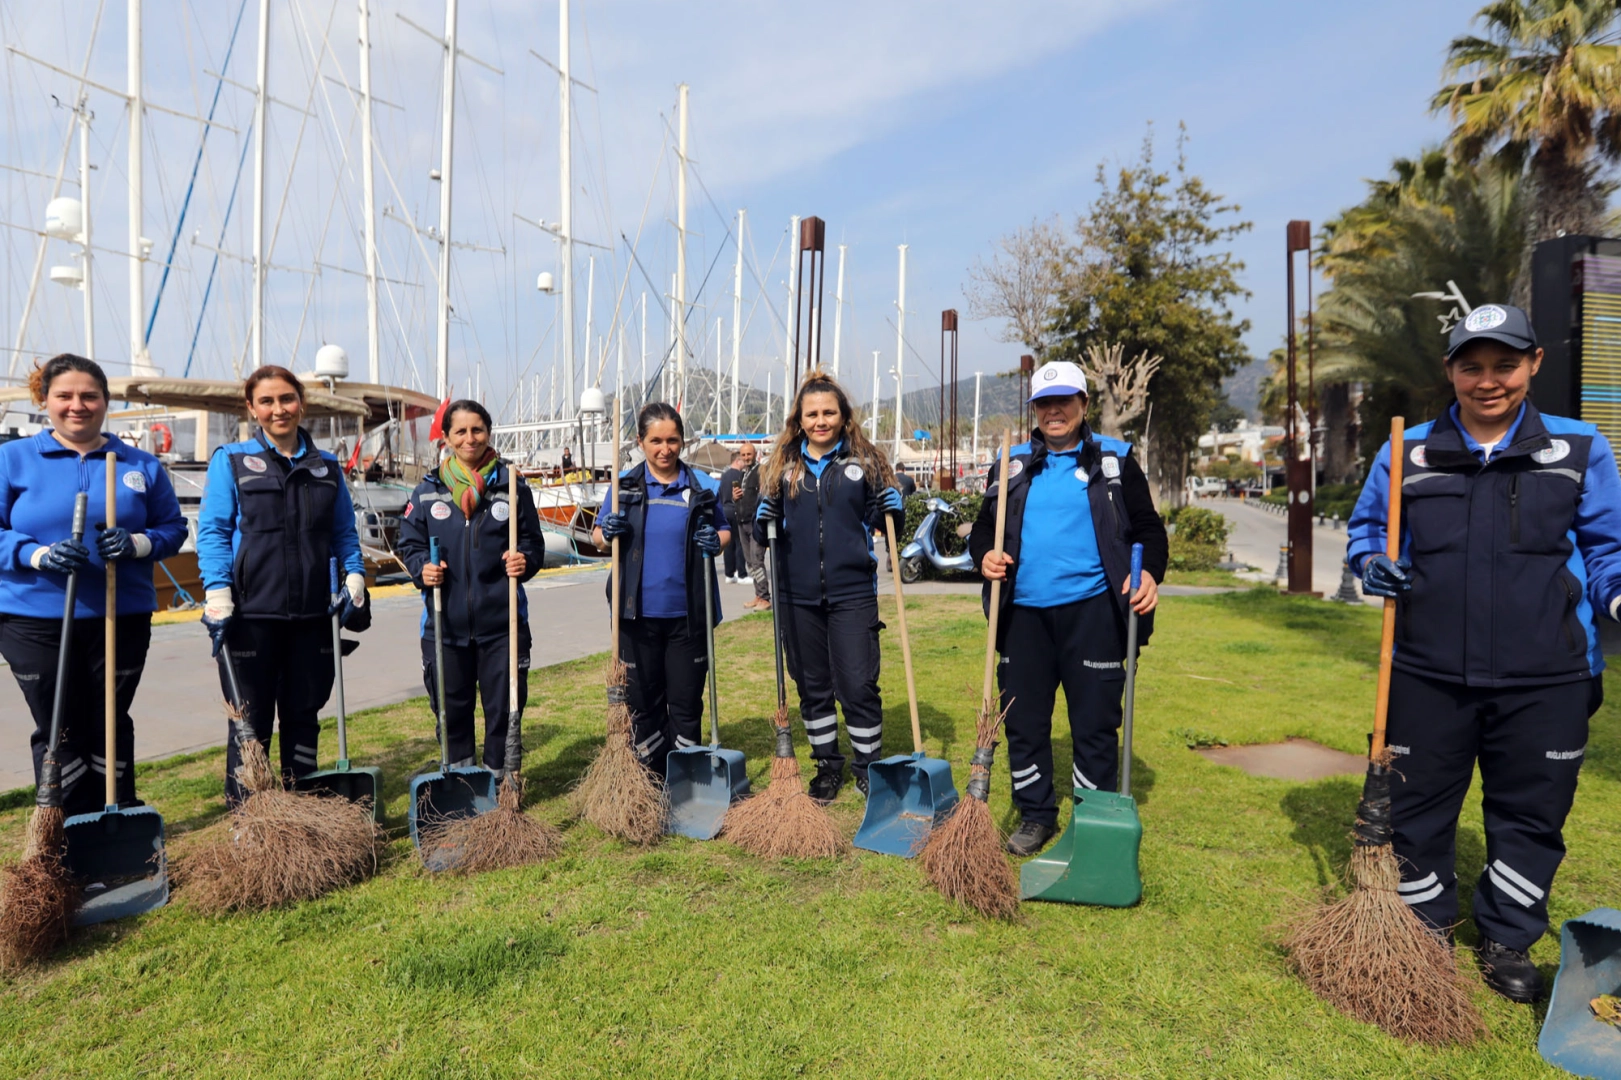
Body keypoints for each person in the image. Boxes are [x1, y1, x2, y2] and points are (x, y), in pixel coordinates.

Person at [1346, 303, 1621, 1004]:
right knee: (1418, 812)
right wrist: (1372, 562)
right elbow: (1369, 532)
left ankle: (1505, 938)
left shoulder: (1579, 449)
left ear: (1532, 364)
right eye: (1472, 366)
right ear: (1450, 372)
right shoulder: (1406, 450)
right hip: (1425, 672)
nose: (1488, 380)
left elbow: (1606, 550)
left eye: (1504, 364)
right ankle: (1421, 928)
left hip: (1548, 679)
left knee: (1530, 816)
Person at [969, 360, 1167, 856]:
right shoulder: (1009, 463)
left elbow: (1149, 530)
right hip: (1023, 617)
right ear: (1034, 409)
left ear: (1083, 404)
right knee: (1024, 721)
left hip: (1094, 614)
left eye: (1064, 401)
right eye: (1044, 403)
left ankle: (1092, 815)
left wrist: (1148, 573)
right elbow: (980, 532)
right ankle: (1035, 816)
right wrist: (984, 557)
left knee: (1095, 720)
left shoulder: (1116, 460)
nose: (1054, 411)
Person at [0, 354, 188, 815]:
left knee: (110, 718)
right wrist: (37, 554)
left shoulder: (138, 464)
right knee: (59, 722)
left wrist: (138, 544)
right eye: (64, 395)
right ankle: (66, 824)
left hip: (118, 613)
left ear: (106, 401)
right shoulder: (12, 459)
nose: (77, 405)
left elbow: (173, 527)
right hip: (33, 616)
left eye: (89, 395)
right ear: (44, 400)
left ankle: (118, 816)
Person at [196, 365, 369, 805]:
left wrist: (354, 577)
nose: (279, 409)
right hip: (251, 615)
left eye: (287, 399)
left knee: (303, 714)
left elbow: (344, 532)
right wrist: (217, 593)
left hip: (313, 614)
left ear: (301, 403)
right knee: (249, 721)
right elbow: (213, 530)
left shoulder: (326, 466)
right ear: (252, 408)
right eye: (268, 401)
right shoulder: (231, 460)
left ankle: (302, 806)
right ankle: (248, 814)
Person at [754, 373, 905, 802]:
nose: (821, 421)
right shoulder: (782, 468)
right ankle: (826, 766)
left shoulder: (865, 462)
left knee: (858, 684)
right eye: (812, 414)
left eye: (829, 413)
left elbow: (886, 523)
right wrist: (762, 516)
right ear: (799, 420)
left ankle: (868, 765)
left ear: (843, 417)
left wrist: (895, 508)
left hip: (853, 592)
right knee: (813, 685)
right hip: (797, 596)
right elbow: (761, 530)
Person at [397, 400, 545, 771]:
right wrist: (421, 568)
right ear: (446, 437)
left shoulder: (512, 485)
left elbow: (534, 544)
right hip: (444, 629)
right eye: (460, 431)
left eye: (477, 430)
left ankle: (500, 789)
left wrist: (524, 560)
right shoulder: (428, 491)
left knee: (503, 712)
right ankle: (461, 786)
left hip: (503, 627)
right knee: (451, 714)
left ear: (488, 433)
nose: (469, 438)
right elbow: (409, 544)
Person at [593, 404, 729, 778]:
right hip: (635, 617)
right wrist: (607, 531)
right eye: (656, 440)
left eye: (672, 440)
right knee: (643, 701)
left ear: (682, 441)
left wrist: (716, 541)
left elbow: (724, 529)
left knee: (685, 702)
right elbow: (598, 537)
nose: (665, 449)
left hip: (690, 615)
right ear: (641, 441)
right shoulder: (624, 487)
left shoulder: (700, 486)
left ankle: (685, 777)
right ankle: (651, 777)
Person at [735, 442, 772, 611]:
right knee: (750, 562)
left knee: (757, 560)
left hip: (754, 522)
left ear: (755, 454)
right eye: (743, 455)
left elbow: (766, 493)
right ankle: (758, 594)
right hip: (742, 521)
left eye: (748, 454)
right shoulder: (744, 473)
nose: (746, 458)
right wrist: (735, 497)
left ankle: (765, 597)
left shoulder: (760, 471)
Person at [718, 450, 745, 583]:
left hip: (725, 510)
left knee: (729, 544)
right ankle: (742, 573)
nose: (745, 463)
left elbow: (720, 493)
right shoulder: (740, 475)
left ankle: (729, 574)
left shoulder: (724, 476)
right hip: (736, 510)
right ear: (737, 461)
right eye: (743, 460)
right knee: (740, 542)